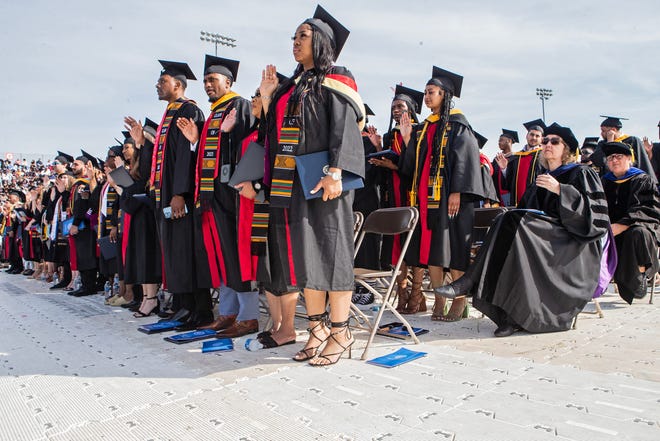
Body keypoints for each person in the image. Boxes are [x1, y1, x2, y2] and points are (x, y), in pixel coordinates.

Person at [258, 5, 365, 365]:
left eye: (302, 35)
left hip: (326, 181)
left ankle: (341, 331)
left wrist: (336, 171)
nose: (295, 42)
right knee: (306, 258)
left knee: (332, 257)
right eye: (294, 37)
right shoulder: (295, 86)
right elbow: (277, 137)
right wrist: (270, 96)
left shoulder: (337, 76)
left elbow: (345, 128)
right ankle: (317, 328)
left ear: (320, 41)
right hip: (295, 183)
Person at [435, 123, 611, 336]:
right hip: (542, 239)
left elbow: (596, 220)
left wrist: (560, 190)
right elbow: (525, 210)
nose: (547, 144)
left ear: (566, 149)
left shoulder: (581, 173)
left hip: (573, 244)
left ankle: (469, 282)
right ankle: (509, 317)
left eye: (555, 142)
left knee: (513, 222)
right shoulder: (541, 177)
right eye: (545, 141)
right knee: (506, 220)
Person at [176, 54, 259, 337]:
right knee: (220, 255)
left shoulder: (240, 106)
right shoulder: (213, 113)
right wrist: (196, 141)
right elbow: (209, 155)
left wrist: (227, 134)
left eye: (213, 79)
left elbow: (250, 145)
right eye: (206, 80)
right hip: (211, 197)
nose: (208, 84)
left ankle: (249, 316)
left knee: (237, 254)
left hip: (233, 195)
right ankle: (227, 312)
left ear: (229, 81)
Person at [399, 65, 487, 321]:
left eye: (431, 92)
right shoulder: (426, 127)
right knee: (432, 251)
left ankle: (458, 301)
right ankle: (439, 299)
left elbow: (466, 160)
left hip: (451, 199)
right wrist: (407, 140)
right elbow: (413, 166)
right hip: (427, 201)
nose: (426, 97)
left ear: (445, 95)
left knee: (455, 250)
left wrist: (457, 192)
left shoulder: (459, 125)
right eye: (425, 92)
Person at [140, 59, 207, 330]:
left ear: (177, 85)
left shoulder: (188, 110)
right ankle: (181, 306)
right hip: (163, 193)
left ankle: (198, 310)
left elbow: (186, 158)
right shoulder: (170, 113)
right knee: (172, 252)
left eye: (163, 81)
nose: (157, 85)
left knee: (184, 251)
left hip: (179, 197)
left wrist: (180, 192)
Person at [370, 84, 424, 311]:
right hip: (394, 197)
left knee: (414, 245)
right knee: (397, 247)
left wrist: (395, 162)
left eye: (400, 106)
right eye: (393, 106)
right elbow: (387, 167)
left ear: (410, 109)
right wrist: (379, 149)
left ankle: (417, 297)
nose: (396, 110)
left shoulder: (420, 132)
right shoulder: (389, 135)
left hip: (413, 196)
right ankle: (402, 295)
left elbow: (418, 166)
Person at [601, 141, 660, 303]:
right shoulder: (604, 182)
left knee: (638, 233)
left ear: (629, 158)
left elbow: (646, 209)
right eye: (611, 158)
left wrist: (621, 225)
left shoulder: (642, 180)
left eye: (619, 156)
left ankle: (639, 274)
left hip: (637, 229)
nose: (614, 160)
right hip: (610, 231)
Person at [590, 116, 656, 182]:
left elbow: (643, 162)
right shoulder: (602, 144)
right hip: (610, 182)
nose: (601, 133)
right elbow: (598, 162)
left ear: (613, 130)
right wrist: (610, 142)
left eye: (603, 131)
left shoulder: (633, 141)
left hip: (632, 180)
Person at [503, 120, 546, 206]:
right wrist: (504, 169)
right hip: (516, 202)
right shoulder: (516, 157)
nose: (533, 138)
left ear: (541, 139)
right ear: (527, 136)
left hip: (536, 202)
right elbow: (509, 183)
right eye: (531, 134)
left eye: (537, 136)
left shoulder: (544, 156)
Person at [492, 129, 517, 206]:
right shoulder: (496, 159)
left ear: (509, 141)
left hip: (510, 193)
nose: (498, 143)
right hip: (497, 194)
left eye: (501, 140)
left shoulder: (516, 158)